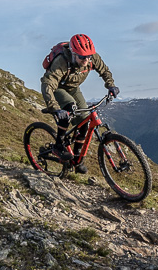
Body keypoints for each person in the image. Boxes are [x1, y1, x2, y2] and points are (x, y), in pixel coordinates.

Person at [41, 34, 119, 174]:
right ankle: (58, 146)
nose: (86, 60)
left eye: (88, 56)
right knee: (69, 108)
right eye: (82, 57)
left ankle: (77, 159)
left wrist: (111, 85)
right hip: (58, 88)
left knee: (84, 120)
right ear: (73, 53)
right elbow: (48, 84)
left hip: (74, 88)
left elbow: (104, 71)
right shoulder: (62, 61)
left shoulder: (92, 57)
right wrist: (54, 108)